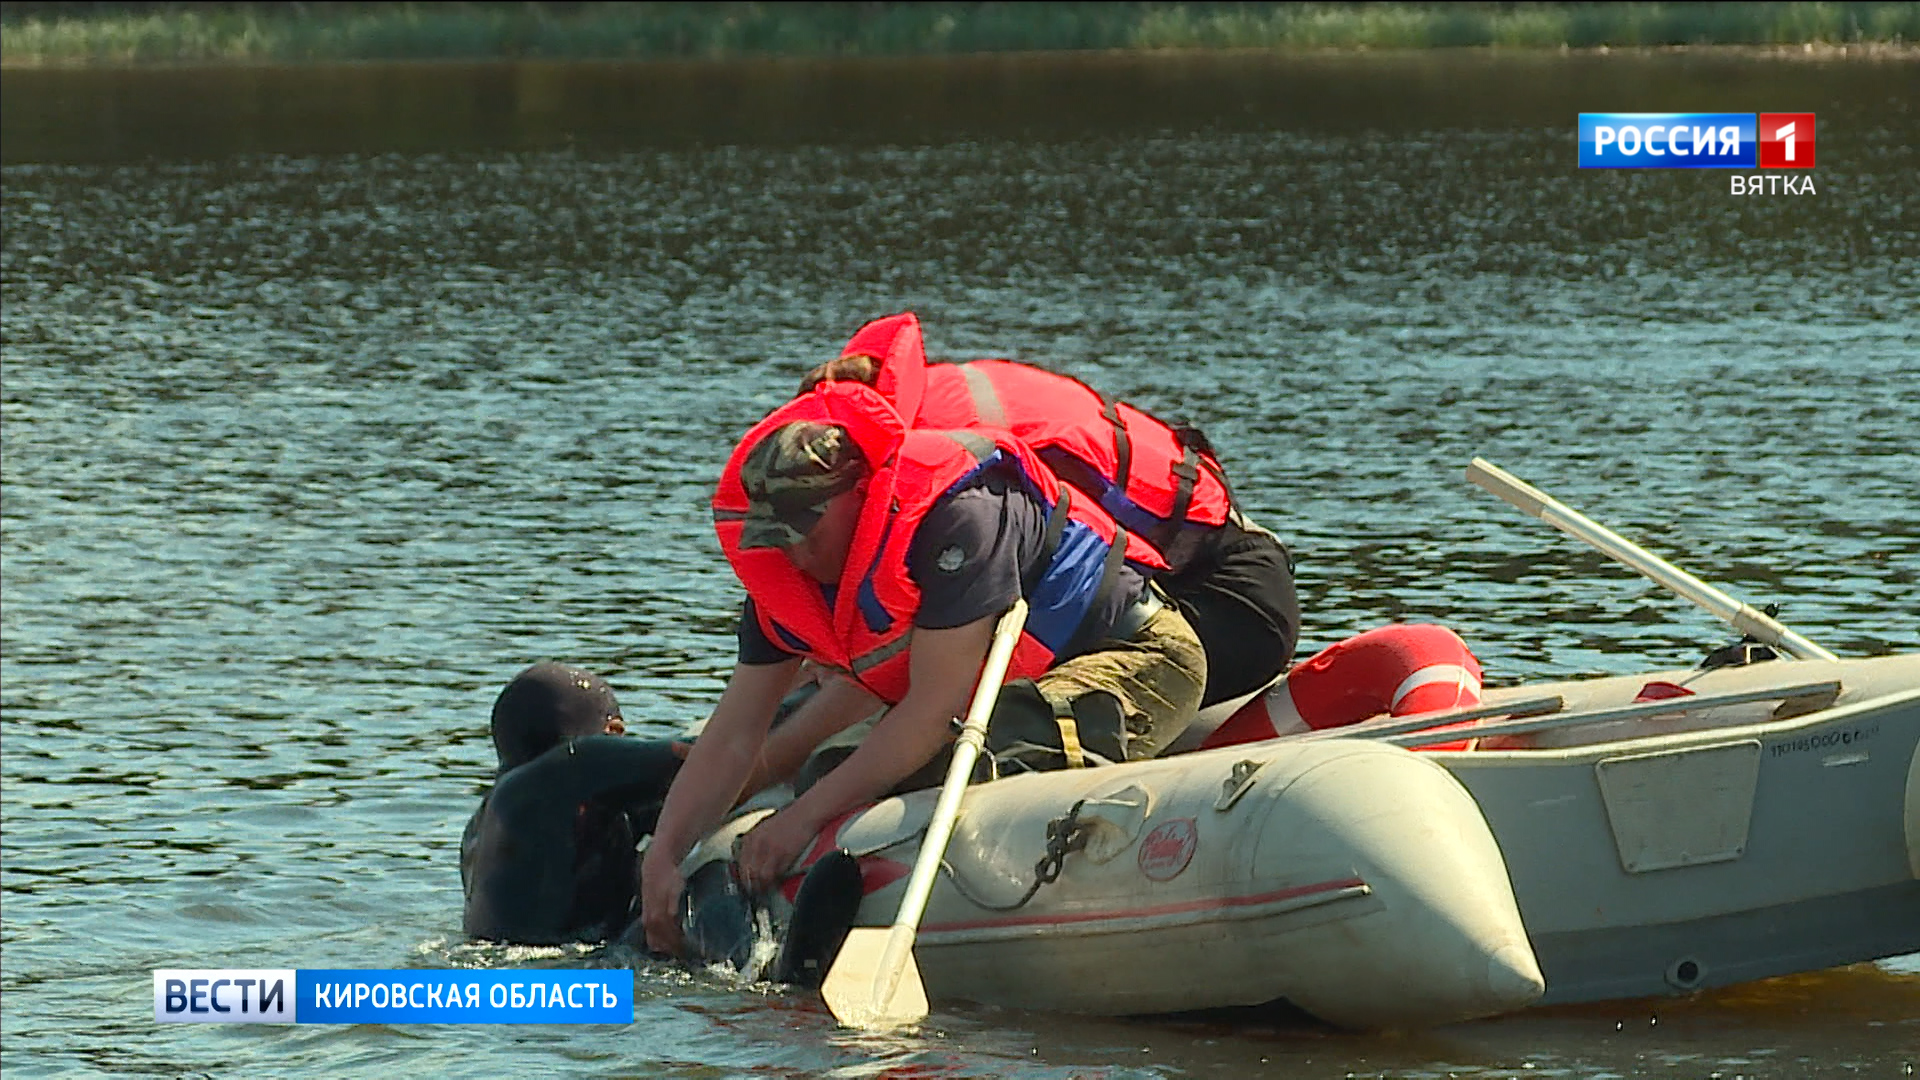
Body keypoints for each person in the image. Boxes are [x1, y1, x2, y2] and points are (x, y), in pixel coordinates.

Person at [638, 380, 1206, 958]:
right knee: (828, 772)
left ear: (861, 492)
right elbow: (735, 734)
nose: (794, 552)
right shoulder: (784, 584)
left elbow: (936, 710)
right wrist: (664, 852)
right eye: (775, 536)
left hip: (1136, 657)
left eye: (806, 527)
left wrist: (800, 822)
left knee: (907, 771)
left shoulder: (957, 517)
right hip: (1022, 680)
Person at [800, 311, 1299, 709]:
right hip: (1213, 578)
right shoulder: (934, 408)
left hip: (1219, 607)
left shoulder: (953, 470)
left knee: (937, 711)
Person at [460, 662, 683, 945]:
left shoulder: (481, 829)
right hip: (574, 971)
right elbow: (714, 756)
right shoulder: (576, 765)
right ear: (613, 732)